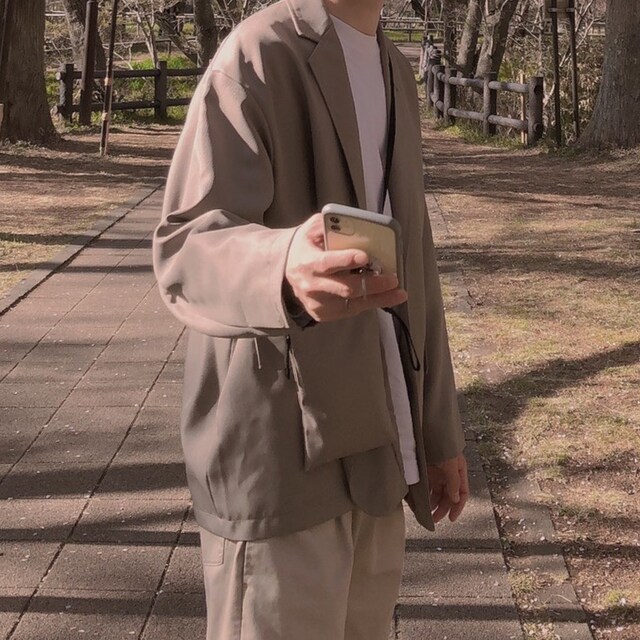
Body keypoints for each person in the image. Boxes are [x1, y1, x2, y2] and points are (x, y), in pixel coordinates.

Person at [152, 0, 469, 637]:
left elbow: (416, 263)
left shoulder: (395, 68)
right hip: (281, 463)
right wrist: (282, 264)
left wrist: (439, 433)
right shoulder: (257, 55)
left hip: (381, 457)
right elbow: (184, 248)